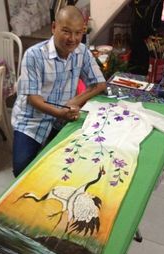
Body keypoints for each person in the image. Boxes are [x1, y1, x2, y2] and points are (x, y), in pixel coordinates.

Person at [11, 5, 106, 177]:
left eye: (78, 33)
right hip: (32, 120)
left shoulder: (82, 51)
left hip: (63, 118)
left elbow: (99, 84)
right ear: (54, 27)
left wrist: (75, 102)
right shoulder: (33, 55)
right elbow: (34, 99)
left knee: (69, 165)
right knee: (21, 170)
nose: (73, 39)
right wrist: (61, 112)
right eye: (66, 31)